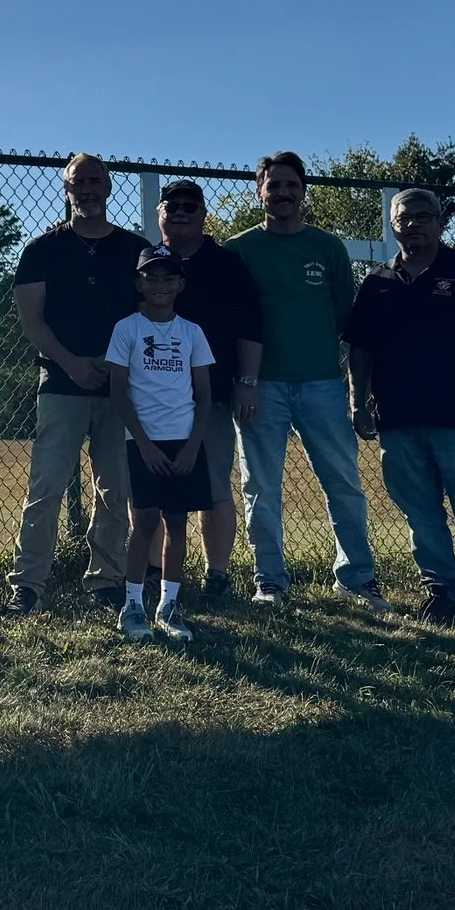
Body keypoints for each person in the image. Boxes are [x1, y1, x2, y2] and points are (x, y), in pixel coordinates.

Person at [346, 187, 455, 631]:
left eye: (424, 216)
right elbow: (360, 349)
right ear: (393, 226)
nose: (414, 224)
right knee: (421, 512)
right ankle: (442, 592)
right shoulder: (377, 282)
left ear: (440, 223)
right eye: (404, 218)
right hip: (398, 420)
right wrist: (358, 402)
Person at [228, 150, 383, 613]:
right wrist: (243, 380)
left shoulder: (328, 249)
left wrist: (355, 393)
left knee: (344, 483)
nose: (283, 193)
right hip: (260, 387)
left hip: (322, 386)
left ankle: (357, 578)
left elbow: (344, 321)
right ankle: (270, 581)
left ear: (303, 192)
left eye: (291, 185)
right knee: (261, 488)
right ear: (260, 193)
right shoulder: (239, 250)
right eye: (273, 185)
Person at [7, 153, 150, 612]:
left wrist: (113, 363)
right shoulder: (41, 250)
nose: (86, 189)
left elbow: (149, 313)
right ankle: (29, 583)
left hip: (119, 386)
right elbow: (32, 321)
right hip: (61, 384)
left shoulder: (135, 249)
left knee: (115, 490)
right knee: (45, 487)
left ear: (108, 186)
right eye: (77, 182)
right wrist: (71, 363)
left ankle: (106, 579)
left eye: (94, 180)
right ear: (66, 189)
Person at [155, 178, 262, 600]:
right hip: (153, 400)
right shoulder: (147, 261)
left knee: (215, 486)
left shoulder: (227, 264)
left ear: (203, 214)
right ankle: (156, 573)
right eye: (173, 207)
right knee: (154, 489)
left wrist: (247, 383)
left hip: (210, 397)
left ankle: (217, 575)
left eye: (190, 207)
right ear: (160, 214)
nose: (180, 213)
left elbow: (250, 327)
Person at [105, 245, 214, 643]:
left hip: (183, 441)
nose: (160, 285)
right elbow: (119, 393)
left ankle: (169, 606)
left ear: (181, 284)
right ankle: (132, 605)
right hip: (143, 442)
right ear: (139, 283)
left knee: (177, 522)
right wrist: (145, 444)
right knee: (146, 520)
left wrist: (191, 447)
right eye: (151, 277)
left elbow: (204, 397)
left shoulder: (192, 332)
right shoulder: (127, 329)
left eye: (168, 278)